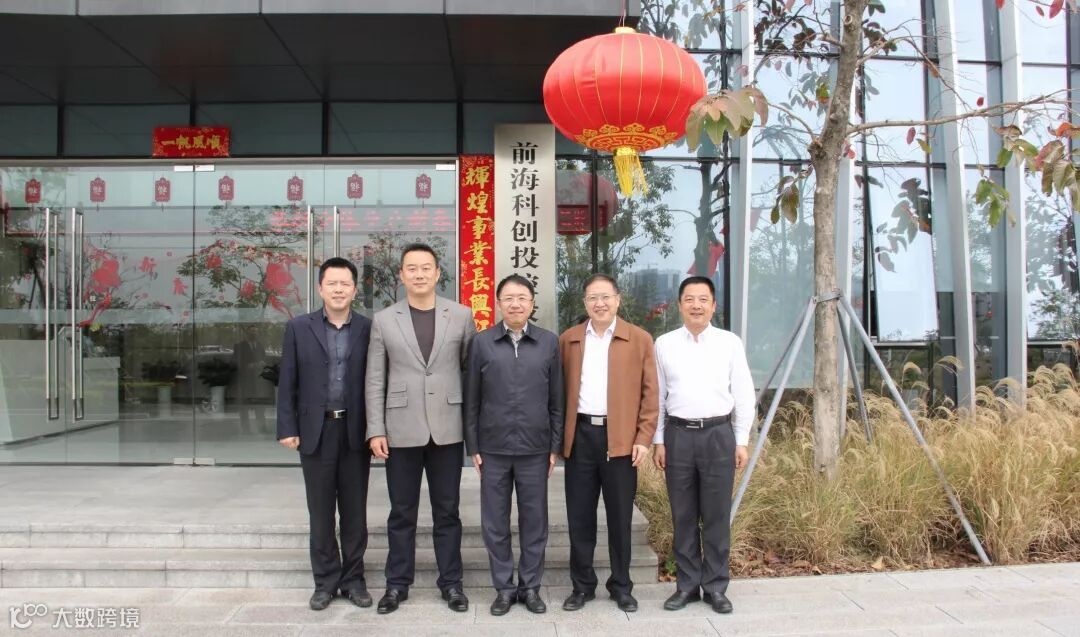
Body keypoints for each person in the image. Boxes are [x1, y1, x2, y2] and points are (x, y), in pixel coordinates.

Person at [365, 243, 476, 614]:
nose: (419, 274)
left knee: (448, 511)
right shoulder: (384, 319)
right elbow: (375, 378)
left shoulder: (460, 315)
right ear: (401, 274)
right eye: (411, 268)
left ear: (438, 273)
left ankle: (452, 584)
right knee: (401, 511)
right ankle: (397, 585)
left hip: (447, 427)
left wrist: (473, 429)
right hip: (400, 428)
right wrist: (375, 429)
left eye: (426, 267)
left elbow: (470, 373)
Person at [653, 275, 754, 614]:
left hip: (718, 435)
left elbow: (743, 393)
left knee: (716, 515)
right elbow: (658, 396)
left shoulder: (729, 343)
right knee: (682, 514)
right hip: (678, 436)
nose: (696, 305)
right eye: (689, 299)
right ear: (679, 305)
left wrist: (741, 440)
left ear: (713, 305)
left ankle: (715, 587)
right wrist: (658, 440)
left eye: (703, 299)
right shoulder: (664, 344)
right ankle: (686, 586)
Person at [276, 257, 373, 611]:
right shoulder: (299, 328)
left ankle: (354, 580)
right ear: (320, 288)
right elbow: (288, 379)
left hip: (354, 431)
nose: (338, 289)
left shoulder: (368, 328)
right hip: (315, 431)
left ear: (355, 290)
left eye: (345, 284)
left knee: (354, 512)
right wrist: (287, 427)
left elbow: (377, 381)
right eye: (332, 283)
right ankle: (325, 582)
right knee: (320, 512)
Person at [464, 274, 564, 617]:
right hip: (493, 449)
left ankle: (531, 587)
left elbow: (557, 400)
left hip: (536, 449)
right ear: (498, 303)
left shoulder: (549, 343)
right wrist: (473, 446)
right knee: (495, 522)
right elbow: (471, 399)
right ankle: (504, 589)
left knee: (535, 522)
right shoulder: (482, 343)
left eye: (522, 298)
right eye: (509, 298)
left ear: (532, 303)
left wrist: (554, 447)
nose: (516, 304)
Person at [558, 273, 658, 613]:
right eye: (592, 298)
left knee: (620, 517)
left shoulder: (639, 339)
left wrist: (644, 437)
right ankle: (582, 586)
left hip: (622, 440)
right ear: (585, 303)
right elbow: (558, 393)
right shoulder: (569, 339)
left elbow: (650, 394)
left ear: (618, 299)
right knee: (579, 517)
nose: (599, 303)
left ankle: (621, 585)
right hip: (581, 436)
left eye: (605, 297)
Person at [234, 324, 268, 433]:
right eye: (252, 331)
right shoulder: (239, 346)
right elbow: (236, 362)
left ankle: (262, 427)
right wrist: (249, 366)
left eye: (256, 331)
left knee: (259, 405)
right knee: (244, 406)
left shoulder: (260, 345)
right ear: (247, 333)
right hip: (245, 381)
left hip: (258, 380)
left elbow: (264, 359)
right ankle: (246, 429)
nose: (254, 333)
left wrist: (262, 364)